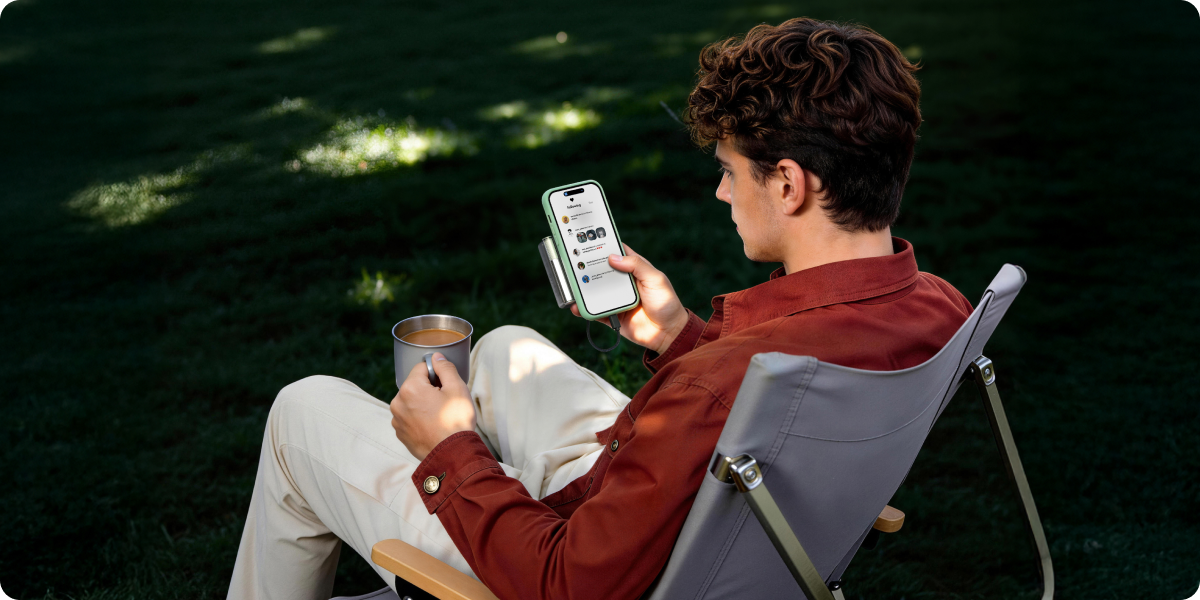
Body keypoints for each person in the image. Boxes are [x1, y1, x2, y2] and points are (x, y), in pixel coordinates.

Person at [227, 17, 973, 600]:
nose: (721, 192)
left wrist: (450, 451)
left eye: (729, 171)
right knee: (505, 348)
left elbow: (565, 584)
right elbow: (765, 404)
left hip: (560, 568)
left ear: (788, 184)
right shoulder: (935, 310)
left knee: (303, 410)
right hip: (703, 528)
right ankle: (501, 475)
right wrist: (679, 336)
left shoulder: (710, 390)